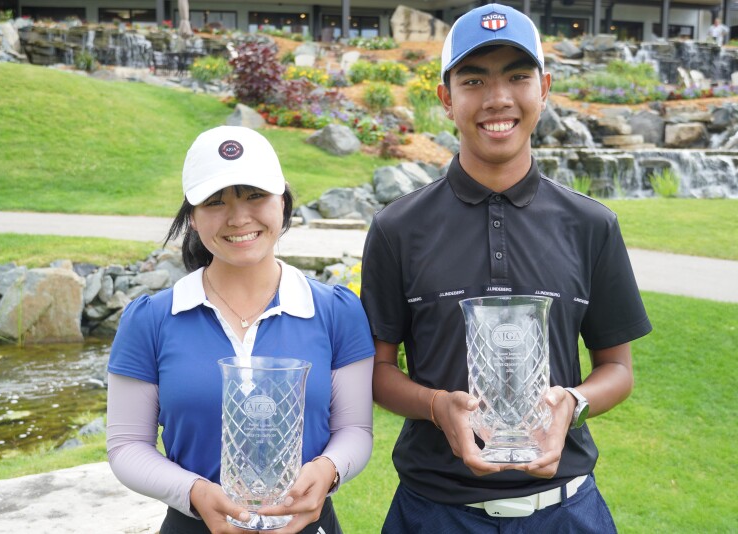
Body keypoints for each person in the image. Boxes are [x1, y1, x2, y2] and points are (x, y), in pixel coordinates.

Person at [360, 4, 652, 532]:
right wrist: (436, 406)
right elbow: (378, 374)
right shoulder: (397, 229)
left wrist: (574, 402)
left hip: (565, 511)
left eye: (518, 77)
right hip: (434, 511)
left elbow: (618, 369)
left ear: (544, 88)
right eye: (474, 79)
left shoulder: (591, 224)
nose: (498, 99)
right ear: (446, 97)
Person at [107, 125, 375, 534]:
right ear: (192, 218)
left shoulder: (336, 311)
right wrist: (193, 490)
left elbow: (354, 430)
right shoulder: (151, 319)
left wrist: (328, 470)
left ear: (282, 203)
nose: (238, 217)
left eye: (255, 196)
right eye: (215, 202)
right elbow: (127, 446)